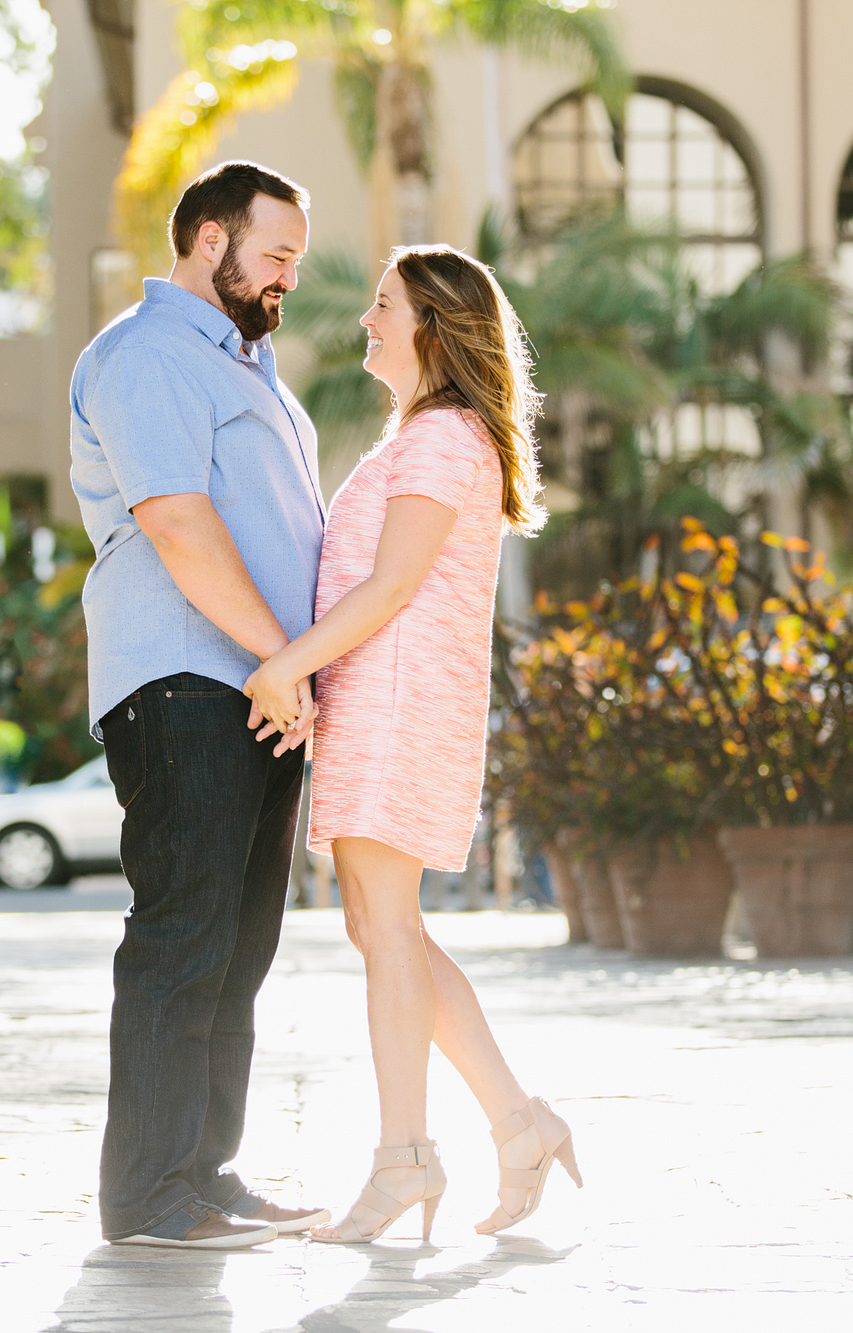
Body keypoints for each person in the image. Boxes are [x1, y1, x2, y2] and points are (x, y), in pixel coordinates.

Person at [242, 245, 583, 1244]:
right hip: (381, 707)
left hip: (396, 710)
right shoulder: (425, 436)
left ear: (432, 324)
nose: (366, 321)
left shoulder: (439, 440)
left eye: (382, 306)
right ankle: (518, 1125)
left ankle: (404, 1161)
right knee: (380, 928)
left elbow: (389, 589)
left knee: (384, 931)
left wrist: (284, 665)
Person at [68, 160, 329, 1250]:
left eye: (295, 265)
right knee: (183, 936)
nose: (286, 281)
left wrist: (294, 669)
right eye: (274, 256)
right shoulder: (146, 354)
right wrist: (285, 656)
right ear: (209, 239)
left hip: (260, 688)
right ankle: (146, 1196)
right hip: (188, 681)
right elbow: (176, 522)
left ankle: (202, 1174)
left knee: (240, 944)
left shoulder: (248, 367)